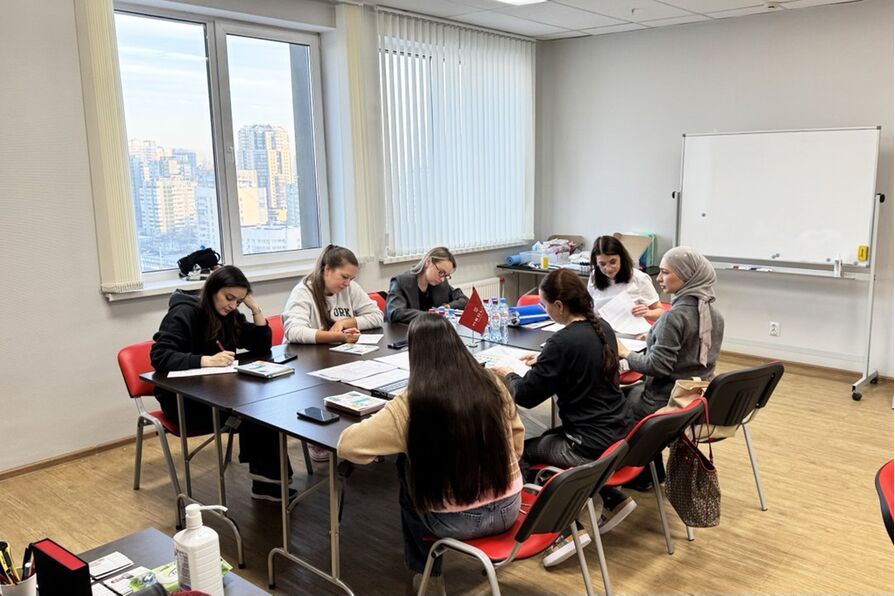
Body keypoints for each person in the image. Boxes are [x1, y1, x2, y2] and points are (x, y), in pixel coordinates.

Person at [338, 315, 523, 594]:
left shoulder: (411, 402)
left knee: (407, 464)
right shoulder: (492, 383)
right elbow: (517, 438)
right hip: (510, 507)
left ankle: (428, 574)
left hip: (453, 521)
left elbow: (348, 445)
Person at [491, 268, 634, 566]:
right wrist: (544, 362)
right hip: (617, 435)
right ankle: (614, 499)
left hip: (587, 445)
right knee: (546, 437)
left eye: (544, 305)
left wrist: (509, 373)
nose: (544, 309)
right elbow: (577, 363)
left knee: (522, 454)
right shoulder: (601, 327)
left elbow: (526, 395)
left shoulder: (563, 342)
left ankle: (564, 531)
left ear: (558, 305)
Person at [150, 265, 293, 501]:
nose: (233, 305)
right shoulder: (184, 313)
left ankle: (269, 482)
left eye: (238, 301)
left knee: (265, 408)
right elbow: (160, 356)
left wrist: (255, 309)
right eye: (229, 298)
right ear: (212, 290)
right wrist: (205, 360)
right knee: (257, 414)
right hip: (183, 401)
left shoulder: (229, 315)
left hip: (219, 393)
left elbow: (260, 345)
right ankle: (268, 483)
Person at [617, 246, 725, 492]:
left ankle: (639, 473)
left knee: (615, 404)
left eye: (665, 272)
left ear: (687, 277)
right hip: (696, 398)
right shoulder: (714, 314)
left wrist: (626, 354)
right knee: (627, 396)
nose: (658, 278)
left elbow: (657, 367)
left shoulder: (673, 317)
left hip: (665, 399)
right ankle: (650, 470)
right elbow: (690, 351)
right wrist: (654, 337)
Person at [282, 244, 384, 344]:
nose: (347, 283)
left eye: (351, 279)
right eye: (344, 277)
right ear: (327, 270)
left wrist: (344, 322)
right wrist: (339, 337)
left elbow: (377, 316)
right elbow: (294, 331)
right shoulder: (303, 292)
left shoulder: (351, 288)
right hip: (302, 353)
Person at [384, 247, 468, 323]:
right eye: (441, 272)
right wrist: (430, 316)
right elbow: (396, 312)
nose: (442, 279)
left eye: (446, 275)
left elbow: (464, 300)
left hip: (431, 331)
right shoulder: (401, 282)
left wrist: (447, 307)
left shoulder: (440, 283)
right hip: (404, 332)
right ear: (428, 262)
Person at [588, 235, 664, 320]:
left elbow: (661, 313)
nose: (608, 268)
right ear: (596, 263)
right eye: (602, 264)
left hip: (630, 327)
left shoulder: (639, 278)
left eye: (613, 262)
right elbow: (589, 307)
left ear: (621, 258)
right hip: (601, 326)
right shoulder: (594, 277)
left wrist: (647, 313)